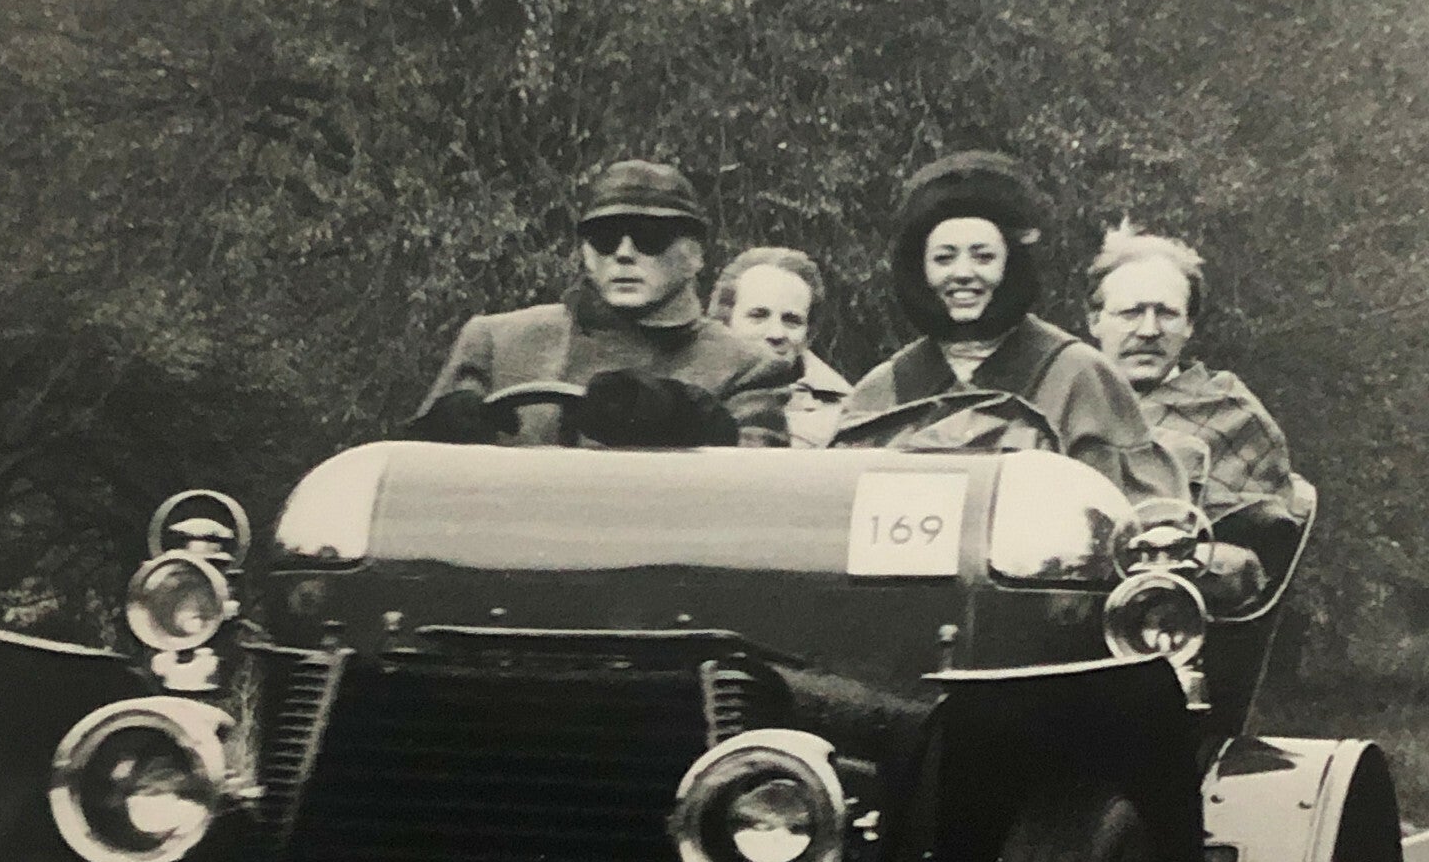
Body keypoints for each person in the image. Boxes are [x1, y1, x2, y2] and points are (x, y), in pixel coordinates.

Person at [833, 152, 1187, 508]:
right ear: (920, 270)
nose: (963, 273)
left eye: (983, 256)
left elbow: (1144, 515)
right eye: (944, 258)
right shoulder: (882, 390)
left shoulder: (1080, 376)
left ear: (1011, 264)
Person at [412, 160, 792, 448]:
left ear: (695, 257)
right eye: (605, 237)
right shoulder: (496, 343)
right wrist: (438, 437)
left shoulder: (745, 368)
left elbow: (759, 495)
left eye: (650, 237)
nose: (624, 254)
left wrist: (687, 422)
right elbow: (409, 490)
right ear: (585, 253)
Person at [1086, 224, 1304, 586]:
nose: (1149, 330)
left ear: (1188, 325)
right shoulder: (1064, 402)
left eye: (1167, 314)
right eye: (1131, 313)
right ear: (1095, 321)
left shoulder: (1231, 413)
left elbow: (1255, 549)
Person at [707, 247, 851, 446]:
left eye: (792, 320)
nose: (776, 334)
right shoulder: (685, 391)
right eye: (758, 316)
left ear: (809, 332)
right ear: (725, 320)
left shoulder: (845, 413)